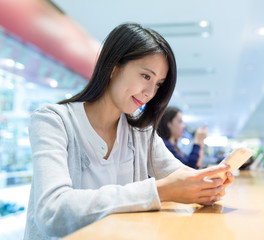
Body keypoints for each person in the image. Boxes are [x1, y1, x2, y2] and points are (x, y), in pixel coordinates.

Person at [24, 23, 234, 240]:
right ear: (114, 67)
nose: (150, 93)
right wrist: (159, 191)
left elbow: (178, 175)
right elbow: (52, 213)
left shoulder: (141, 131)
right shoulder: (52, 121)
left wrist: (209, 183)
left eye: (158, 84)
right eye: (145, 76)